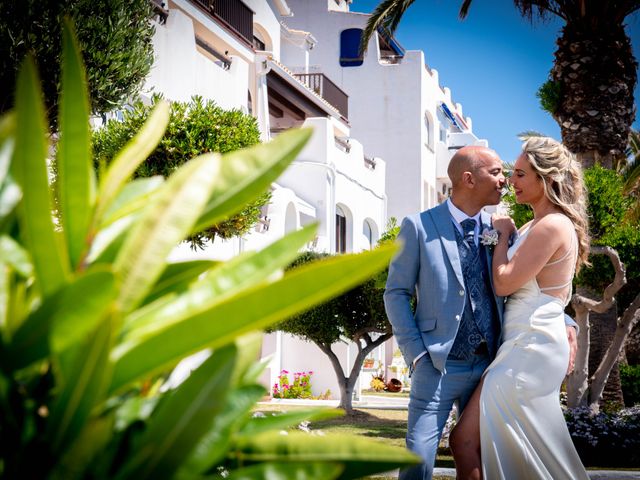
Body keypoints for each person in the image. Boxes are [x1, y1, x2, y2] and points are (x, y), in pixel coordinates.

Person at [449, 136, 589, 480]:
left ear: (548, 179)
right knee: (521, 449)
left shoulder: (553, 224)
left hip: (531, 346)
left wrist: (500, 235)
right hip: (521, 342)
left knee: (465, 441)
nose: (512, 181)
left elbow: (505, 282)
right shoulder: (534, 225)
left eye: (522, 175)